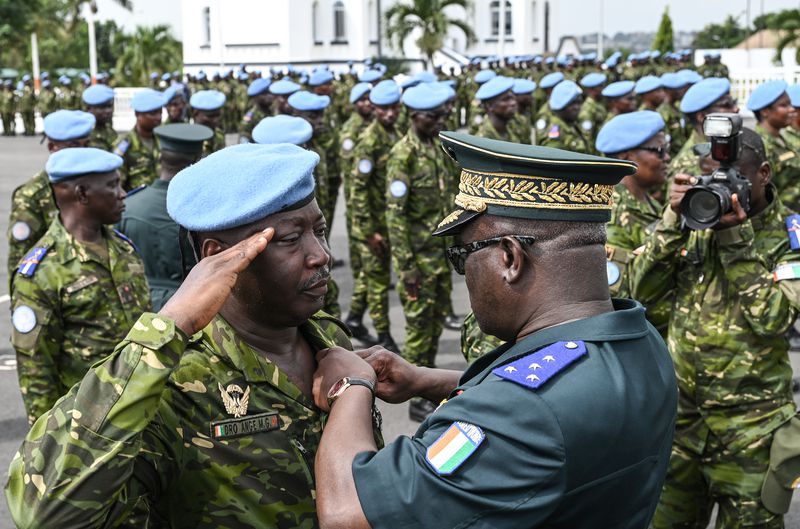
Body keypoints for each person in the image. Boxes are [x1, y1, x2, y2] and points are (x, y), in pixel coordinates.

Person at [310, 131, 678, 529]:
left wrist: (351, 386)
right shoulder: (641, 340)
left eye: (461, 256)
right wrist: (426, 380)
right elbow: (559, 393)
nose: (464, 276)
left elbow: (347, 514)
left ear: (509, 257)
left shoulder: (521, 414)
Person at [6, 143, 383, 528]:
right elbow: (45, 514)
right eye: (289, 239)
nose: (321, 254)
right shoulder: (176, 384)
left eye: (319, 231)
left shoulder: (332, 344)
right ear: (221, 257)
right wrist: (168, 327)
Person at [631, 128, 799, 528]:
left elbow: (773, 317)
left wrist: (735, 239)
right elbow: (642, 294)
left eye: (735, 179)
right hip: (682, 426)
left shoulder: (789, 237)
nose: (723, 191)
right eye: (712, 178)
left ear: (764, 173)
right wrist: (673, 220)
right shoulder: (695, 220)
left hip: (750, 434)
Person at [9, 147, 151, 425]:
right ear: (82, 194)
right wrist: (47, 445)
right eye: (112, 185)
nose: (123, 194)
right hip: (84, 425)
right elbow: (36, 372)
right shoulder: (42, 272)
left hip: (138, 408)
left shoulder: (123, 248)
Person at [385, 83, 451, 421]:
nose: (440, 121)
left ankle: (429, 383)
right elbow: (395, 216)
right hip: (417, 262)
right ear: (414, 116)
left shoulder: (436, 149)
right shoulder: (403, 154)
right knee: (417, 328)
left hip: (438, 257)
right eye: (433, 116)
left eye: (442, 114)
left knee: (435, 324)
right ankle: (414, 395)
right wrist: (407, 268)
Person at [117, 123, 213, 310]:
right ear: (197, 159)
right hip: (192, 304)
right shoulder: (205, 209)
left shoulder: (127, 206)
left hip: (136, 302)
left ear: (160, 158)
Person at [596, 111, 670, 334]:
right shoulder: (612, 213)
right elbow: (620, 296)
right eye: (659, 151)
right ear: (627, 159)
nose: (667, 158)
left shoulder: (648, 202)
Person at [6, 110, 95, 278]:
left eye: (87, 144)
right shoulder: (31, 195)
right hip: (56, 287)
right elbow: (21, 261)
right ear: (52, 147)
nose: (82, 152)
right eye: (74, 145)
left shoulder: (97, 186)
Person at [350, 80, 402, 352]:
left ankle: (354, 318)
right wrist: (370, 232)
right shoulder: (369, 141)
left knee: (371, 278)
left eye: (394, 108)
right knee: (379, 281)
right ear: (375, 109)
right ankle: (384, 336)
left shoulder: (394, 134)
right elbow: (357, 190)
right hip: (371, 226)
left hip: (387, 221)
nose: (390, 114)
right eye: (384, 109)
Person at [669, 77, 738, 179]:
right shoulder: (687, 165)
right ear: (701, 117)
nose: (736, 109)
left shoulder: (728, 145)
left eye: (734, 103)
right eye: (726, 105)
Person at [747, 79, 800, 212]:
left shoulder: (781, 138)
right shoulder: (761, 146)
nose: (791, 109)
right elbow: (765, 195)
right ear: (765, 111)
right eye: (784, 105)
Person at [114, 88, 164, 191]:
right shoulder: (125, 145)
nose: (158, 117)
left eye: (160, 112)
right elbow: (117, 185)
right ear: (137, 114)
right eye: (153, 113)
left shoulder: (163, 140)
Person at [539, 80, 594, 154]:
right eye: (572, 104)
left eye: (579, 103)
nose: (577, 108)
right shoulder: (556, 133)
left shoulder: (571, 125)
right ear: (561, 107)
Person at [473, 76, 522, 142]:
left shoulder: (510, 128)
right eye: (505, 99)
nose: (513, 103)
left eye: (512, 98)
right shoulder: (483, 141)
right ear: (489, 106)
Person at [190, 89, 227, 157]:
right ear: (195, 114)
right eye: (210, 116)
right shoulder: (188, 139)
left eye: (218, 115)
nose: (215, 120)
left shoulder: (219, 134)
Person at [82, 84, 118, 152]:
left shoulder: (108, 128)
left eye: (109, 106)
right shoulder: (83, 133)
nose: (108, 111)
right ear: (88, 109)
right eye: (102, 107)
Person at [238, 77, 274, 143]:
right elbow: (244, 139)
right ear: (256, 98)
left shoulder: (272, 110)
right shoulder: (251, 116)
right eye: (265, 94)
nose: (270, 96)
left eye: (270, 93)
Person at [577, 72, 608, 146]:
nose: (603, 88)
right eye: (601, 86)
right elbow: (587, 138)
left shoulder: (598, 103)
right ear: (591, 90)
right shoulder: (587, 110)